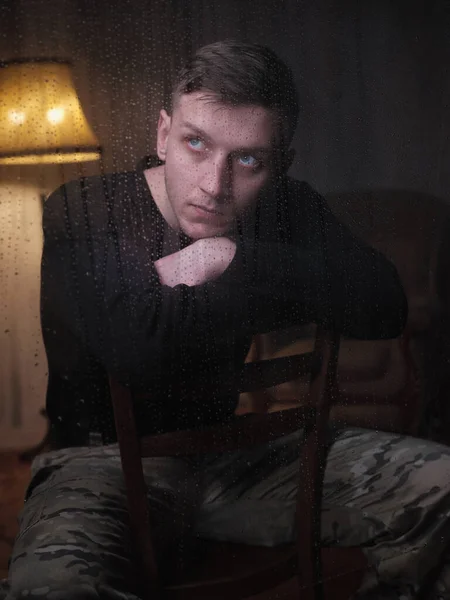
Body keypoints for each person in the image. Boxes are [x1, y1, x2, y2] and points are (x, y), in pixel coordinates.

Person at [6, 40, 450, 600]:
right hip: (99, 467)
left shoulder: (287, 207)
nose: (214, 187)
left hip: (236, 460)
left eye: (247, 160)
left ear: (278, 165)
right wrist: (287, 285)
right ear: (163, 134)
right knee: (51, 588)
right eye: (196, 143)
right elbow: (140, 349)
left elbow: (384, 304)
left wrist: (225, 257)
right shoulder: (84, 207)